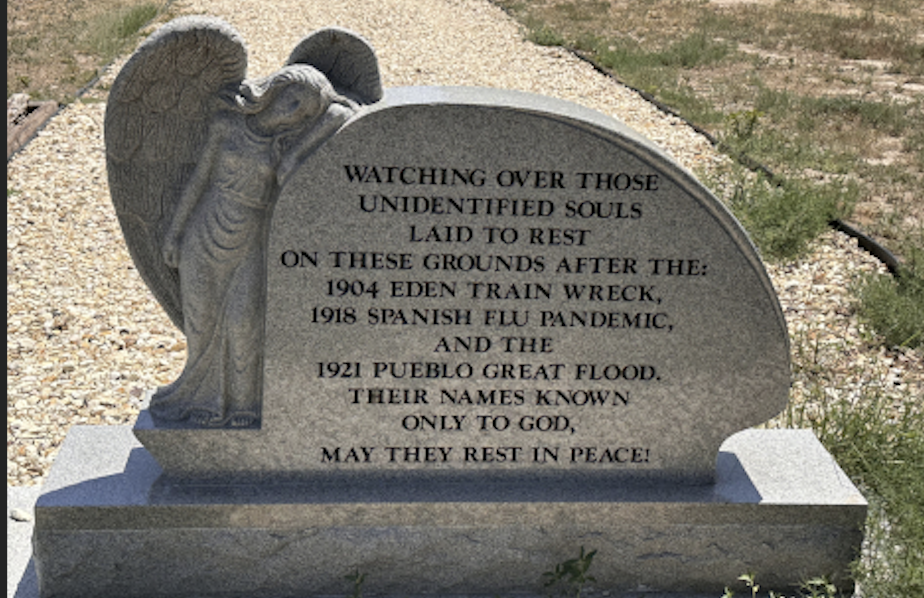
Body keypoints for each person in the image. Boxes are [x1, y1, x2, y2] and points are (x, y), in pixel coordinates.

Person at [153, 64, 355, 427]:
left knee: (244, 324)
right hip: (204, 232)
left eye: (303, 112)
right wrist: (175, 233)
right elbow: (198, 181)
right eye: (292, 100)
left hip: (250, 240)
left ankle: (245, 407)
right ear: (274, 91)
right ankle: (204, 403)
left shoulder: (285, 146)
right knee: (202, 326)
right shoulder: (226, 126)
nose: (293, 113)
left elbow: (341, 113)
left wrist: (307, 135)